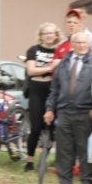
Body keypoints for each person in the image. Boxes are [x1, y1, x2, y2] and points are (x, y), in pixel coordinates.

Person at [44, 32, 92, 184]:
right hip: (64, 112)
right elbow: (54, 89)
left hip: (85, 112)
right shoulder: (63, 63)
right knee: (64, 151)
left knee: (85, 151)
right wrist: (49, 109)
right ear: (72, 44)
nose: (82, 46)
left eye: (85, 43)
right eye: (79, 43)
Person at [23, 22, 61, 172]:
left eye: (52, 33)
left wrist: (44, 69)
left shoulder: (59, 51)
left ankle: (44, 159)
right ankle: (30, 160)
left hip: (52, 89)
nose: (49, 36)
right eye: (46, 33)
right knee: (36, 127)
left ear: (56, 35)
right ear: (41, 36)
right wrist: (51, 68)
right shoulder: (33, 50)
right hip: (36, 89)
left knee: (51, 127)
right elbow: (31, 71)